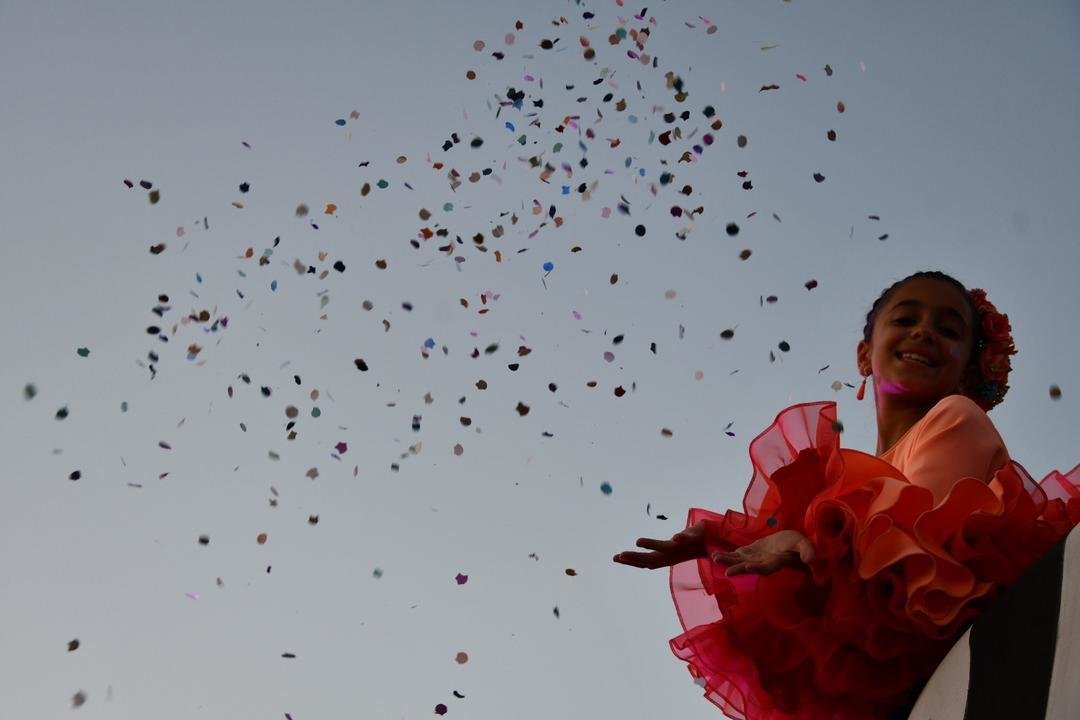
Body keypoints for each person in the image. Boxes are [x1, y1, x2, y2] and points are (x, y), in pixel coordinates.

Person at [613, 270, 1080, 720]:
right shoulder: (848, 485)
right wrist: (728, 538)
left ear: (967, 370)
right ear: (864, 355)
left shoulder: (955, 417)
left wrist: (797, 544)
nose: (923, 333)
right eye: (905, 319)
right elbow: (840, 552)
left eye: (949, 329)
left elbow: (917, 559)